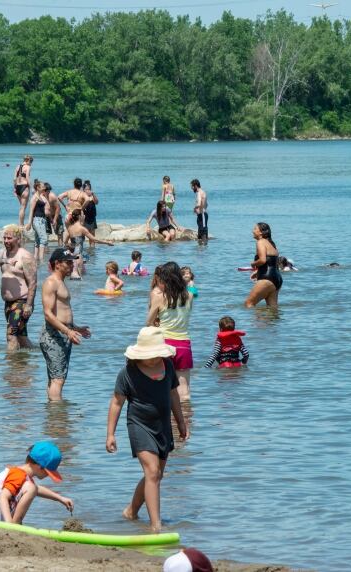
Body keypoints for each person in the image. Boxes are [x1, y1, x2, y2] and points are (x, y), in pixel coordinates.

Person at [106, 327, 188, 533]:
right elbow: (116, 403)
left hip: (163, 425)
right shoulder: (128, 373)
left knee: (157, 474)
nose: (153, 359)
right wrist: (110, 434)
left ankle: (131, 511)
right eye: (149, 356)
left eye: (156, 355)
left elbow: (174, 396)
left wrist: (180, 421)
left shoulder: (167, 367)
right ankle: (155, 525)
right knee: (152, 471)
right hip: (139, 425)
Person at [40, 248, 91, 401]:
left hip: (62, 333)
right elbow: (48, 314)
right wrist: (67, 332)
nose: (71, 265)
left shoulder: (60, 282)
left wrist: (75, 328)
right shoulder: (51, 283)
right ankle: (58, 418)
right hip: (54, 335)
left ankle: (54, 419)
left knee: (55, 377)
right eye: (68, 262)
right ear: (57, 264)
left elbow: (61, 312)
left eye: (72, 261)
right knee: (58, 379)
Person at [0, 441, 73, 524]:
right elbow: (2, 497)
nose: (48, 475)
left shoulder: (22, 474)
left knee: (32, 488)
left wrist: (60, 498)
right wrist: (9, 526)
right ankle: (15, 524)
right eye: (48, 472)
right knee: (31, 488)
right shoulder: (18, 474)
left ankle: (14, 523)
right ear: (39, 466)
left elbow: (38, 489)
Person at [147, 262, 193, 400]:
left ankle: (166, 419)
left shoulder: (159, 297)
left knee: (161, 387)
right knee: (184, 390)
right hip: (183, 344)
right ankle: (185, 419)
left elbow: (149, 322)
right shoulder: (189, 296)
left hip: (164, 344)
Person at [0, 225, 37, 351]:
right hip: (8, 303)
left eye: (9, 238)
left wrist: (29, 305)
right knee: (20, 336)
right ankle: (31, 360)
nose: (6, 241)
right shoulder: (3, 253)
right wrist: (4, 261)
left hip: (21, 302)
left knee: (11, 335)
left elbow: (32, 283)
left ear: (18, 239)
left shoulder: (25, 256)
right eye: (4, 238)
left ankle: (12, 367)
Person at [65, 209, 114, 279]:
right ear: (79, 217)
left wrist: (70, 251)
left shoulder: (70, 228)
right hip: (78, 256)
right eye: (83, 214)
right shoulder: (82, 228)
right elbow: (94, 240)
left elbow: (65, 243)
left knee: (73, 279)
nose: (84, 216)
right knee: (81, 281)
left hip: (72, 256)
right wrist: (107, 242)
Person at [245, 222, 282, 308]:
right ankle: (268, 321)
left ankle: (252, 321)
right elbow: (272, 262)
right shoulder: (271, 244)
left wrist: (253, 264)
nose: (252, 231)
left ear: (261, 232)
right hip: (277, 279)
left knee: (248, 304)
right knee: (272, 309)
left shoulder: (261, 242)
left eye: (255, 229)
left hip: (267, 278)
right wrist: (258, 272)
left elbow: (262, 260)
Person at [27, 180, 49, 261]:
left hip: (42, 220)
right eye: (43, 186)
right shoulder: (34, 198)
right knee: (44, 239)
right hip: (37, 220)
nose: (44, 187)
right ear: (38, 187)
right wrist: (29, 223)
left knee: (37, 241)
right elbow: (31, 211)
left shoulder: (41, 196)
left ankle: (36, 259)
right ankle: (42, 259)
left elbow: (47, 205)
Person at [14, 155, 33, 226]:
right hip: (24, 187)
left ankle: (20, 223)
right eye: (31, 161)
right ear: (28, 160)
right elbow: (27, 178)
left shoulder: (17, 166)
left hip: (17, 187)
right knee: (23, 207)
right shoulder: (28, 167)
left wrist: (14, 188)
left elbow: (14, 179)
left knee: (21, 207)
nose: (31, 163)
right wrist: (32, 188)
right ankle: (21, 224)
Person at [44, 182, 65, 247]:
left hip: (56, 214)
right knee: (45, 233)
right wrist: (50, 219)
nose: (48, 192)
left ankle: (60, 247)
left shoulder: (52, 196)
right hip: (47, 216)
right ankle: (45, 249)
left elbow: (58, 208)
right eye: (47, 191)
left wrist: (55, 220)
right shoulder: (41, 197)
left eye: (49, 191)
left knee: (59, 233)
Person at [82, 180, 99, 246]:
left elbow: (97, 202)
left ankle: (92, 251)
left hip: (92, 218)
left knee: (92, 237)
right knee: (82, 236)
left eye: (89, 189)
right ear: (83, 190)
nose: (88, 191)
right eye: (86, 189)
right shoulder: (82, 196)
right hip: (85, 219)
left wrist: (93, 194)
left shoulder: (92, 196)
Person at [190, 179, 208, 244]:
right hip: (202, 214)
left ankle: (202, 250)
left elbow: (199, 203)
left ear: (195, 186)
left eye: (192, 187)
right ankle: (202, 250)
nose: (191, 189)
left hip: (202, 214)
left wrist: (195, 208)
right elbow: (206, 204)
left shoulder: (199, 193)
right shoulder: (203, 192)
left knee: (203, 233)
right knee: (201, 231)